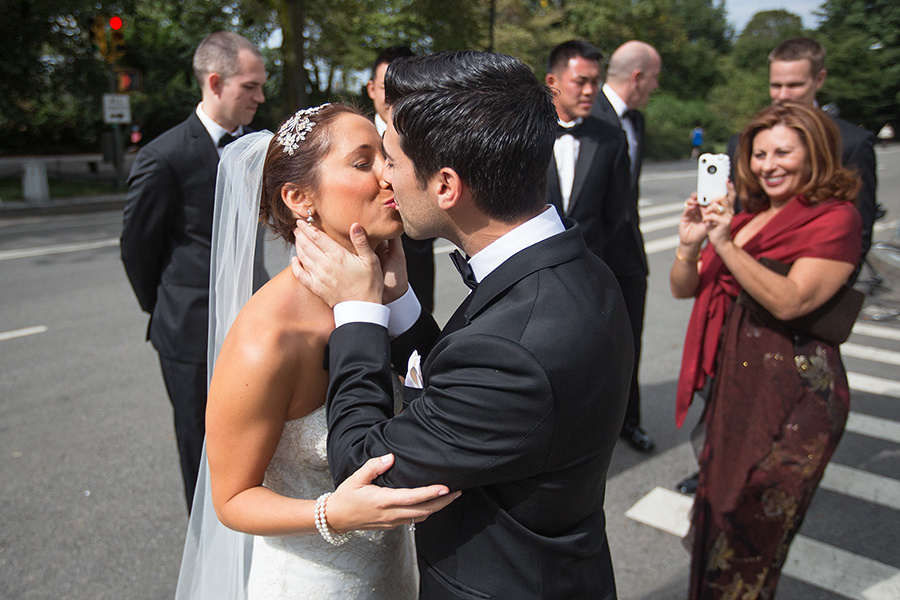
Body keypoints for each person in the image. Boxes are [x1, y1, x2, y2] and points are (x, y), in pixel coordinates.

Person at [292, 51, 632, 599]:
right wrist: (399, 299)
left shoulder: (518, 346)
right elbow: (465, 386)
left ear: (446, 185)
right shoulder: (576, 267)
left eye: (393, 160)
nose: (384, 177)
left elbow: (363, 464)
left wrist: (359, 313)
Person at [175, 105, 459, 600]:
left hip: (398, 575)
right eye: (362, 162)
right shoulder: (269, 338)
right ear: (299, 198)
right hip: (313, 583)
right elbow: (232, 498)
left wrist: (396, 300)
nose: (388, 176)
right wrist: (330, 513)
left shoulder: (379, 290)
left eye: (386, 158)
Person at [671, 101, 862, 599]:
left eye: (783, 152)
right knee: (718, 522)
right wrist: (692, 245)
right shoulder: (750, 214)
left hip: (795, 396)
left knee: (750, 539)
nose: (768, 164)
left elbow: (791, 301)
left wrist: (727, 244)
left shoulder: (836, 218)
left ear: (815, 152)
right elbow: (683, 287)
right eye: (758, 154)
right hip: (737, 386)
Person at [121, 31, 267, 510]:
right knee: (199, 448)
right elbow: (137, 251)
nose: (260, 97)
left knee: (256, 444)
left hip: (251, 327)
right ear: (214, 81)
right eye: (250, 86)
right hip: (188, 333)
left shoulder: (256, 149)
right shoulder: (163, 157)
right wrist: (169, 306)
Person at [727, 37, 878, 266]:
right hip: (742, 275)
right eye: (776, 85)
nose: (783, 95)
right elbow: (738, 211)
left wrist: (825, 296)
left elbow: (860, 233)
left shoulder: (851, 143)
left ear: (819, 79)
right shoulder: (744, 141)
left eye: (794, 85)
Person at [592, 39, 662, 453]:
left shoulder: (635, 121)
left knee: (630, 340)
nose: (656, 86)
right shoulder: (587, 114)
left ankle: (628, 420)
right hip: (593, 252)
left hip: (629, 254)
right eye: (654, 78)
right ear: (638, 77)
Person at [544, 40, 631, 279]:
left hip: (588, 269)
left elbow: (614, 211)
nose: (590, 91)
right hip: (531, 270)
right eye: (580, 82)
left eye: (595, 82)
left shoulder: (612, 139)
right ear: (552, 82)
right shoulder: (525, 133)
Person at [367, 45, 436, 313]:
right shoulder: (349, 137)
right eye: (387, 89)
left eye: (404, 91)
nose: (393, 100)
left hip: (416, 271)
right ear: (372, 88)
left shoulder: (429, 140)